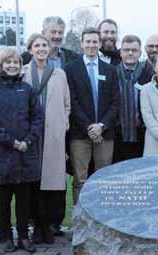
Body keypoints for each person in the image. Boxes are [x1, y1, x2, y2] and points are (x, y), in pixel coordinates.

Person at [0, 47, 43, 253]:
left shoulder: (28, 89)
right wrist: (11, 141)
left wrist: (28, 140)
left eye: (16, 62)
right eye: (8, 62)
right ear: (0, 64)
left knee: (24, 199)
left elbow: (38, 118)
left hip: (25, 152)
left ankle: (24, 237)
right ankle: (5, 237)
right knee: (2, 199)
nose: (12, 65)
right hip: (1, 153)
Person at [23, 34, 70, 245]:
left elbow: (67, 103)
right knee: (33, 180)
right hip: (31, 134)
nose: (41, 49)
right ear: (31, 49)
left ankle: (50, 224)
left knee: (52, 181)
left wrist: (64, 123)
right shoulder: (23, 72)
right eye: (37, 45)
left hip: (53, 134)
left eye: (44, 45)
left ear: (49, 49)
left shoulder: (59, 73)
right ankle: (36, 224)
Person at [64, 28, 120, 204]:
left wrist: (101, 126)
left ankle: (101, 224)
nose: (91, 45)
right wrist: (89, 127)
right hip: (80, 134)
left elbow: (115, 103)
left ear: (100, 44)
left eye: (95, 41)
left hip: (105, 133)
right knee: (81, 180)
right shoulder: (70, 69)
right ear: (82, 44)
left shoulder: (110, 70)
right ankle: (81, 224)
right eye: (87, 41)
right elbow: (72, 101)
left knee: (103, 180)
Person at [112, 35, 147, 163]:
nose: (130, 53)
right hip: (116, 133)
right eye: (126, 50)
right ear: (121, 52)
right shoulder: (112, 73)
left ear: (140, 53)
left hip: (141, 133)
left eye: (134, 50)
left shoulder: (148, 74)